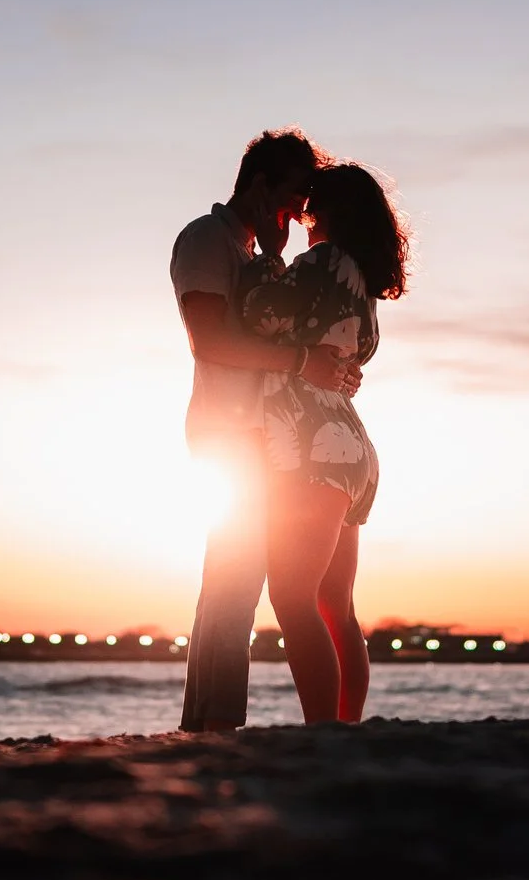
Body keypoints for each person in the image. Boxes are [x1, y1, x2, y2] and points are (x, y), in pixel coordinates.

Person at [170, 130, 360, 733]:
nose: (299, 211)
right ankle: (216, 726)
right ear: (260, 184)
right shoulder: (205, 239)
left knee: (233, 586)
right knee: (233, 585)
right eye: (293, 195)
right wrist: (306, 363)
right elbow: (211, 340)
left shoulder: (253, 254)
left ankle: (205, 725)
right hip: (230, 434)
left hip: (265, 440)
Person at [236, 161, 407, 724]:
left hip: (310, 445)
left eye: (309, 214)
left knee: (291, 598)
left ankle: (323, 733)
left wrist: (267, 252)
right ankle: (345, 729)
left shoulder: (325, 261)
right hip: (352, 448)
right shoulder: (364, 285)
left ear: (329, 215)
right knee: (337, 607)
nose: (304, 224)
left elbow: (260, 316)